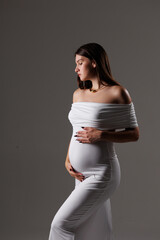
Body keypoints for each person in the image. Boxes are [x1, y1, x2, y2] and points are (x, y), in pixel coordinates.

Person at [48, 42, 139, 240]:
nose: (76, 68)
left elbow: (134, 134)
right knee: (92, 232)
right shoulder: (78, 94)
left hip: (102, 173)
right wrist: (68, 159)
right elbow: (75, 131)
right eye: (76, 64)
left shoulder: (118, 93)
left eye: (81, 63)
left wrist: (102, 135)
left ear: (95, 63)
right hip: (80, 175)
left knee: (60, 224)